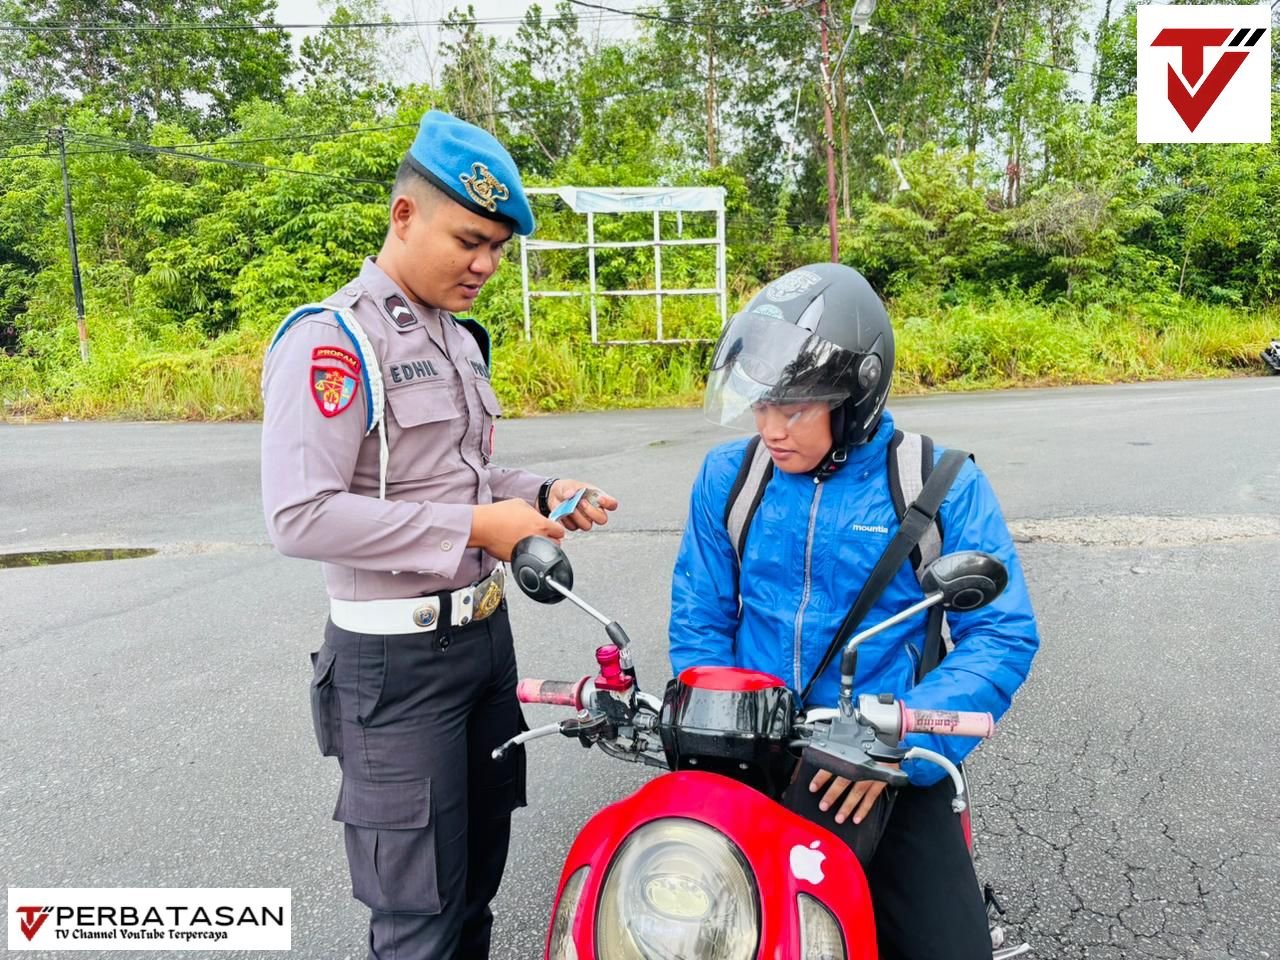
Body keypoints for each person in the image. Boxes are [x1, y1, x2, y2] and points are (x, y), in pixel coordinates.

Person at [260, 109, 618, 960]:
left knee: (475, 892)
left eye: (498, 247)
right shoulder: (334, 343)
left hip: (485, 646)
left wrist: (541, 491)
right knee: (418, 919)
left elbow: (463, 477)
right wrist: (474, 526)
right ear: (405, 216)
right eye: (470, 240)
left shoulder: (458, 341)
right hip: (395, 671)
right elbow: (299, 513)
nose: (487, 265)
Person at [669, 262, 1038, 960]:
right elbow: (701, 616)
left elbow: (1001, 632)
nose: (771, 429)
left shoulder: (938, 482)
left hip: (888, 767)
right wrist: (717, 715)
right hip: (753, 753)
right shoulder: (732, 477)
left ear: (858, 393)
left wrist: (898, 743)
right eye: (761, 404)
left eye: (795, 408)